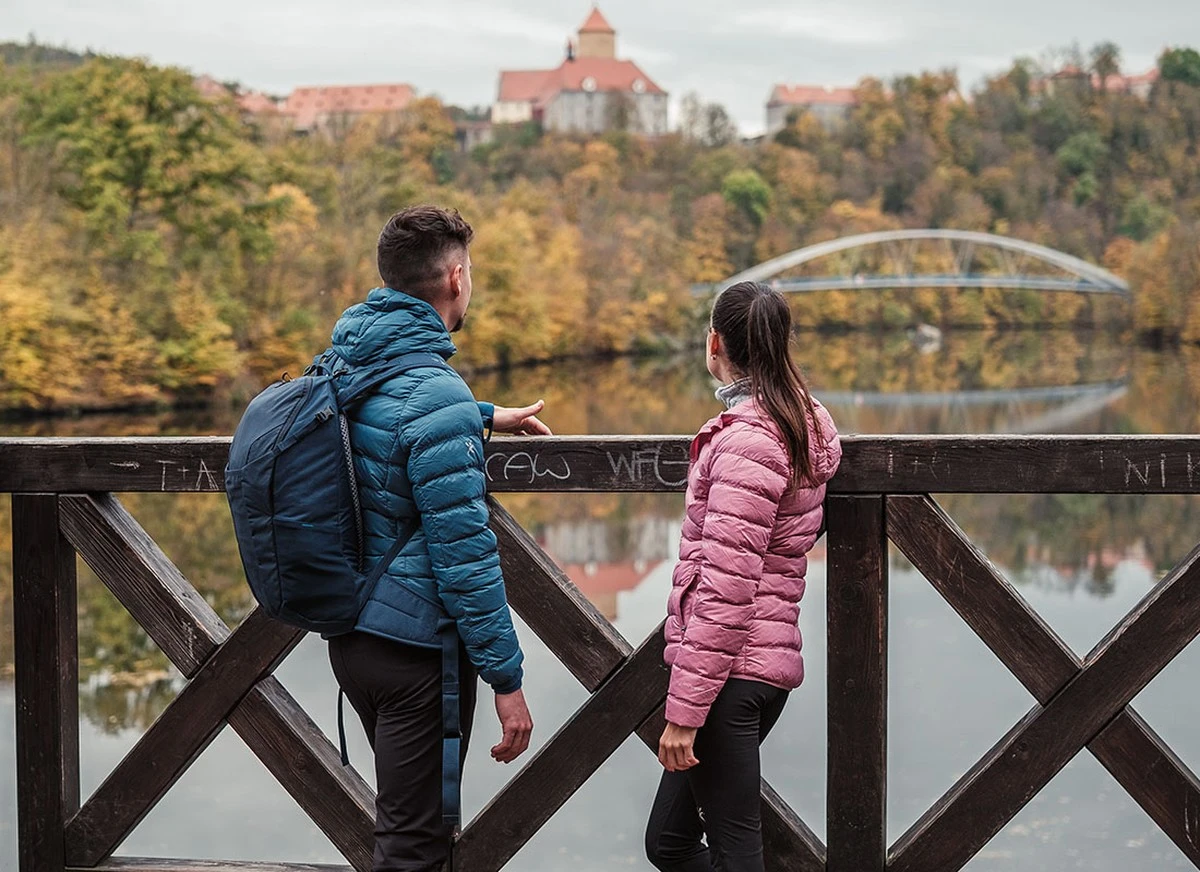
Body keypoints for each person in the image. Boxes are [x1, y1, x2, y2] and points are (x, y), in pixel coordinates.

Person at [325, 205, 545, 872]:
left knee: (405, 833)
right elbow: (466, 561)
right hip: (414, 653)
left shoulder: (343, 362)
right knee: (415, 849)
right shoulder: (434, 393)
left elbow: (382, 427)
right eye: (470, 271)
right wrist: (507, 680)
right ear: (454, 278)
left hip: (351, 641)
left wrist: (475, 415)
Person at [646, 281, 842, 872]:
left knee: (736, 857)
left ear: (715, 345)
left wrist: (685, 713)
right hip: (757, 668)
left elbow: (726, 591)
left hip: (729, 677)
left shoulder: (748, 444)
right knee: (669, 842)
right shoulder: (800, 423)